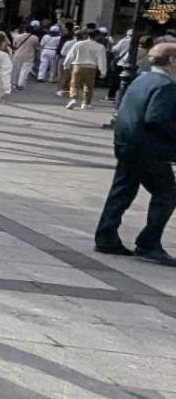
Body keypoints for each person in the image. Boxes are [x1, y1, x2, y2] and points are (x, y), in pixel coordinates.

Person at [94, 42, 176, 264]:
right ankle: (149, 243)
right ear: (171, 61)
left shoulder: (141, 79)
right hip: (148, 150)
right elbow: (157, 118)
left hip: (127, 144)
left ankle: (106, 237)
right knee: (167, 193)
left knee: (122, 191)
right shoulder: (166, 86)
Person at [63, 29, 108, 109]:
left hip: (78, 66)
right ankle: (86, 103)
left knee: (75, 84)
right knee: (89, 86)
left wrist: (66, 65)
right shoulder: (100, 47)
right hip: (91, 68)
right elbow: (102, 60)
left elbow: (71, 55)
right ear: (97, 37)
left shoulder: (79, 44)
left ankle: (74, 99)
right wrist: (103, 71)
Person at [10, 23, 40, 91]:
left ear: (25, 30)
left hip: (18, 55)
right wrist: (36, 56)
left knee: (16, 70)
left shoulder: (18, 36)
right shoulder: (35, 38)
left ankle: (14, 83)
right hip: (29, 56)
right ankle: (20, 84)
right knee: (25, 70)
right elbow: (37, 48)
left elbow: (14, 45)